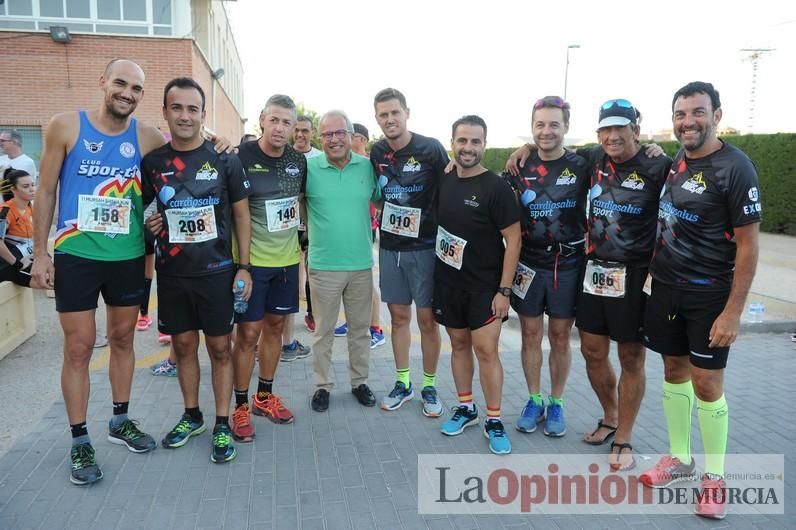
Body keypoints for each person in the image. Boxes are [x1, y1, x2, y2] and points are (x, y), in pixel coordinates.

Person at [32, 59, 163, 485]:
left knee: (124, 339)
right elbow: (46, 190)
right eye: (120, 83)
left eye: (137, 88)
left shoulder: (147, 137)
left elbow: (169, 182)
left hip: (126, 256)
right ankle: (78, 438)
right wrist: (40, 254)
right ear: (103, 82)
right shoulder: (65, 126)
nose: (127, 93)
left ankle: (120, 420)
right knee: (79, 347)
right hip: (76, 254)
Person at [640, 82, 761, 520]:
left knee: (707, 385)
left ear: (716, 115)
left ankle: (715, 478)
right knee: (673, 371)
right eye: (680, 114)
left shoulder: (736, 167)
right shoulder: (676, 160)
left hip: (710, 294)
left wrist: (733, 311)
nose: (688, 121)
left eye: (697, 112)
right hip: (666, 289)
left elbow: (749, 247)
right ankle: (680, 460)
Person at [142, 76, 251, 464]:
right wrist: (149, 223)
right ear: (166, 112)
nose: (184, 116)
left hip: (217, 272)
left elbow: (241, 214)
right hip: (172, 274)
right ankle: (192, 416)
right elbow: (146, 210)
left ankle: (222, 423)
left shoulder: (224, 158)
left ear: (203, 115)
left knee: (221, 348)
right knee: (184, 346)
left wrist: (244, 267)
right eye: (177, 108)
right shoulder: (152, 163)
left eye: (192, 109)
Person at [502, 96, 589, 438]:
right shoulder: (517, 167)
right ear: (532, 126)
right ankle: (534, 399)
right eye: (540, 124)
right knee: (530, 335)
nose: (546, 131)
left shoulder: (583, 163)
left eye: (554, 124)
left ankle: (557, 402)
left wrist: (652, 150)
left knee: (560, 338)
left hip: (567, 263)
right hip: (529, 263)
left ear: (567, 126)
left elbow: (625, 154)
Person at [436, 115, 521, 455]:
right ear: (452, 142)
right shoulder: (443, 180)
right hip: (448, 284)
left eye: (475, 142)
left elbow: (513, 241)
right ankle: (466, 407)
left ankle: (494, 419)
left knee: (486, 352)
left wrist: (504, 291)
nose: (468, 148)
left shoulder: (496, 188)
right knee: (458, 346)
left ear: (484, 145)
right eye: (462, 141)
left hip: (485, 287)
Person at [230, 94, 307, 443]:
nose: (280, 128)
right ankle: (241, 405)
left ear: (294, 128)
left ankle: (264, 396)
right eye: (274, 120)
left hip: (287, 262)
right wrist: (242, 266)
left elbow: (302, 206)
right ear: (261, 119)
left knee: (275, 330)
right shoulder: (241, 157)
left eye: (287, 122)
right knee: (247, 336)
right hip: (252, 264)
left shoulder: (297, 161)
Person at [370, 88, 449, 416]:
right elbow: (375, 195)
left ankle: (429, 385)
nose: (389, 119)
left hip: (426, 248)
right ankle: (403, 382)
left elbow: (452, 186)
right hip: (390, 249)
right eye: (383, 114)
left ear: (406, 113)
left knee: (427, 321)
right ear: (377, 118)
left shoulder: (430, 148)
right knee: (399, 319)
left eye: (394, 113)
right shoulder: (376, 152)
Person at [304, 110, 380, 412]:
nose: (334, 139)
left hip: (361, 264)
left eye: (339, 133)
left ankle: (359, 381)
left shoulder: (367, 168)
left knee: (360, 330)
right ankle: (322, 386)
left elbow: (386, 199)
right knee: (323, 332)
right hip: (323, 266)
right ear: (319, 138)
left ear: (351, 136)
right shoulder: (309, 169)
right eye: (327, 134)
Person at [334, 122, 386, 349]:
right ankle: (352, 321)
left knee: (366, 283)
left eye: (350, 135)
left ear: (362, 140)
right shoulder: (343, 164)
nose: (343, 139)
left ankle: (376, 329)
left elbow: (380, 197)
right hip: (344, 233)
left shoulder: (369, 165)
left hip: (365, 229)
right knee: (347, 281)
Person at [290, 115, 322, 335]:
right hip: (287, 222)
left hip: (312, 222)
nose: (301, 135)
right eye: (297, 130)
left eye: (306, 131)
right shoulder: (284, 153)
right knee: (290, 268)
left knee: (312, 269)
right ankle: (284, 319)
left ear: (313, 133)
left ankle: (311, 313)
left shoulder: (320, 158)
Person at [0, 168, 35, 286]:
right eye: (25, 186)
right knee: (50, 280)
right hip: (10, 263)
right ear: (13, 189)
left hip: (26, 256)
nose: (32, 189)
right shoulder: (5, 211)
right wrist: (18, 264)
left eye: (33, 185)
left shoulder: (30, 207)